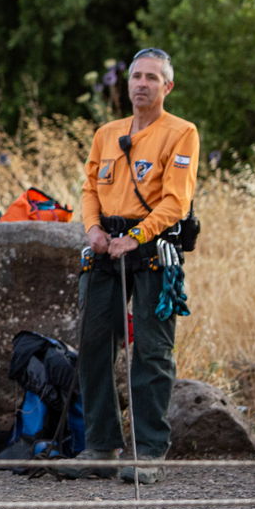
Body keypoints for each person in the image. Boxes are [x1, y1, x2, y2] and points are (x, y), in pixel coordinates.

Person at [57, 47, 198, 485]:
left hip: (153, 247)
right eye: (137, 76)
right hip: (104, 249)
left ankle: (149, 451)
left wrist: (134, 238)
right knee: (94, 345)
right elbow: (89, 188)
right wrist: (94, 229)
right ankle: (101, 446)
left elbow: (176, 201)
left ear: (167, 86)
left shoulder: (181, 132)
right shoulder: (107, 133)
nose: (142, 83)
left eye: (152, 78)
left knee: (152, 352)